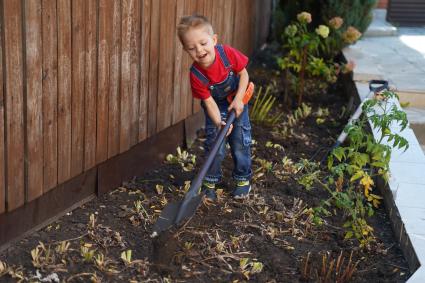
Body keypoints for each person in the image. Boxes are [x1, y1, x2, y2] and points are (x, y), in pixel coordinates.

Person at [177, 14, 252, 200]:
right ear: (186, 50)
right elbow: (209, 101)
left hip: (237, 101)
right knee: (215, 144)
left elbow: (244, 75)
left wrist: (239, 99)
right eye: (192, 48)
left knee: (240, 141)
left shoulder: (227, 54)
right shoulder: (196, 75)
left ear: (214, 39)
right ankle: (210, 181)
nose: (199, 50)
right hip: (215, 108)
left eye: (203, 43)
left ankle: (242, 179)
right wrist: (220, 122)